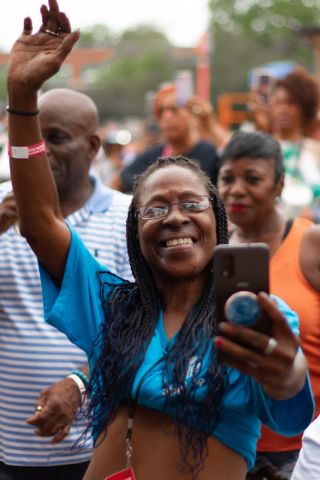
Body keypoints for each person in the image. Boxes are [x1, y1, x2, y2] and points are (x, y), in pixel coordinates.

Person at [6, 2, 314, 479]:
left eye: (192, 205)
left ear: (218, 222)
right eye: (155, 208)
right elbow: (41, 220)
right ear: (136, 233)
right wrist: (23, 98)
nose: (175, 218)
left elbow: (291, 409)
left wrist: (285, 371)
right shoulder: (111, 307)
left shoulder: (251, 319)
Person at [0, 87, 132, 480]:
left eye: (53, 138)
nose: (39, 151)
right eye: (31, 138)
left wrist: (80, 382)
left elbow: (137, 325)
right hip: (9, 449)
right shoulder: (2, 208)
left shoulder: (130, 218)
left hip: (98, 451)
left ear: (92, 146)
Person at [217, 130, 320, 480]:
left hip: (304, 448)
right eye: (227, 178)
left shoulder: (310, 243)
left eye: (253, 178)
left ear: (279, 185)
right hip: (231, 442)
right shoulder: (214, 252)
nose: (236, 190)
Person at [110, 83, 221, 192]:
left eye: (174, 109)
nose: (166, 116)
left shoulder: (210, 153)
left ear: (192, 114)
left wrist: (210, 124)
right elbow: (116, 183)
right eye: (161, 111)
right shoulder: (152, 157)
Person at [249, 68, 320, 219]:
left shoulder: (316, 151)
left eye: (290, 103)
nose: (282, 109)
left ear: (305, 108)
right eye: (278, 102)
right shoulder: (256, 150)